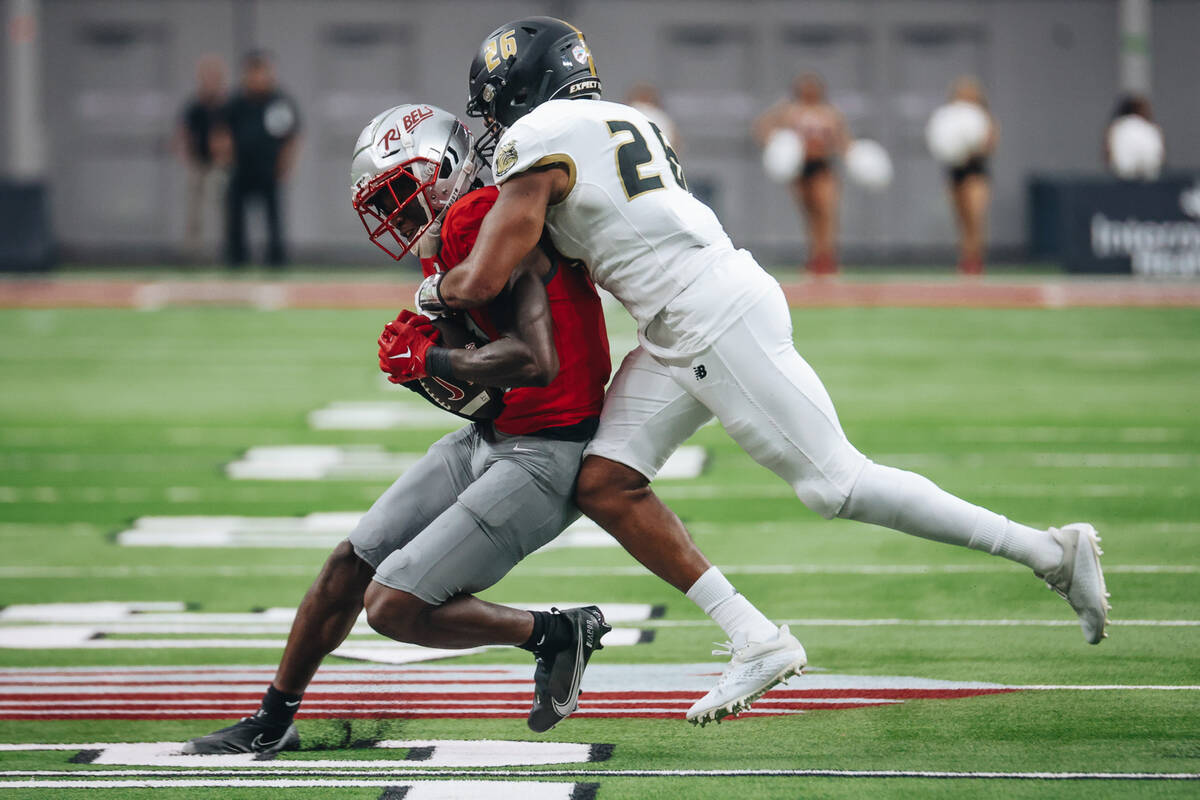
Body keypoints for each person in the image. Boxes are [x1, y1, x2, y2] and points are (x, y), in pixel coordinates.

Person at [417, 16, 1112, 726]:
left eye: (498, 100)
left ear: (526, 89)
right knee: (607, 482)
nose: (495, 121)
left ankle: (1048, 552)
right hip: (681, 319)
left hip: (706, 318)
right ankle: (755, 638)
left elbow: (483, 278)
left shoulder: (541, 138)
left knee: (837, 484)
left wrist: (430, 289)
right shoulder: (621, 118)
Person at [182, 104, 614, 754]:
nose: (397, 215)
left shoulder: (483, 217)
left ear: (444, 170)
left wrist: (434, 359)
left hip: (548, 452)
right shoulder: (449, 233)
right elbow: (486, 398)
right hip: (499, 436)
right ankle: (272, 719)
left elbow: (536, 359)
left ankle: (553, 633)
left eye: (398, 193)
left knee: (392, 605)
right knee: (346, 565)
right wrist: (431, 368)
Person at [754, 73, 850, 275]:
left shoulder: (829, 113)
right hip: (800, 168)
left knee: (826, 211)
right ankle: (815, 255)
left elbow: (842, 139)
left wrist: (850, 154)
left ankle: (827, 256)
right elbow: (763, 126)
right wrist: (774, 143)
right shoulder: (789, 110)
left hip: (821, 165)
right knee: (809, 213)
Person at [213, 51, 300, 268]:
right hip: (241, 168)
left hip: (268, 169)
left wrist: (286, 163)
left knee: (273, 215)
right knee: (235, 215)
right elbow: (221, 131)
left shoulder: (279, 102)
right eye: (255, 73)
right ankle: (236, 258)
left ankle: (276, 258)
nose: (260, 77)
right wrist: (224, 157)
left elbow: (292, 135)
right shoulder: (236, 103)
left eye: (264, 72)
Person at [175, 54, 227, 258]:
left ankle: (222, 251)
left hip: (218, 164)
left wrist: (225, 155)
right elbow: (184, 131)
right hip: (198, 162)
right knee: (194, 210)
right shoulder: (195, 105)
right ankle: (193, 253)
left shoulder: (225, 105)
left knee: (220, 207)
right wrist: (185, 153)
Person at [944, 76, 997, 276]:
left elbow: (990, 146)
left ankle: (976, 260)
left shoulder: (984, 119)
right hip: (955, 172)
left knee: (976, 218)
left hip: (975, 173)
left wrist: (972, 148)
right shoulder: (950, 118)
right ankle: (965, 259)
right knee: (961, 219)